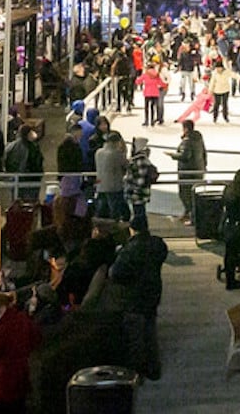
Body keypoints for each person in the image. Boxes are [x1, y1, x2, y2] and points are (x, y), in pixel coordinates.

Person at [109, 214, 169, 380]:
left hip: (134, 296)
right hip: (153, 292)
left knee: (136, 336)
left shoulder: (128, 250)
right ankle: (153, 368)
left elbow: (116, 274)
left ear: (132, 229)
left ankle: (138, 372)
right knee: (150, 331)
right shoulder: (157, 244)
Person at [0, 292, 41, 414]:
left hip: (4, 381)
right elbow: (36, 339)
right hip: (22, 377)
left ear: (2, 309)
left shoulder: (0, 329)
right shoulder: (23, 319)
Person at [220, 167, 240, 290]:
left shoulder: (228, 189)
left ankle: (230, 277)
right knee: (235, 252)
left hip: (227, 224)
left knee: (229, 253)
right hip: (238, 226)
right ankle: (232, 280)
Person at [170, 120, 206, 224]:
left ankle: (192, 217)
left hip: (187, 172)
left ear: (185, 128)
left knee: (185, 194)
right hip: (198, 169)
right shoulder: (199, 138)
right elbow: (204, 152)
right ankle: (188, 213)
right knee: (192, 194)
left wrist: (173, 155)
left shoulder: (187, 141)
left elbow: (185, 156)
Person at [93, 131, 130, 221]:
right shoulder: (116, 153)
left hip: (101, 184)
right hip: (114, 186)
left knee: (102, 208)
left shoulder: (98, 152)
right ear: (117, 142)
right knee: (115, 208)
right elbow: (126, 165)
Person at [124, 137, 157, 230]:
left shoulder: (139, 160)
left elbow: (140, 179)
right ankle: (143, 234)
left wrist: (134, 190)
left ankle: (142, 234)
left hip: (138, 193)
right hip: (140, 193)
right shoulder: (143, 159)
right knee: (140, 214)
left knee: (139, 215)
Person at [4, 125, 44, 202]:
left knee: (17, 202)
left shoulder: (10, 146)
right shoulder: (32, 147)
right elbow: (37, 163)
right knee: (31, 204)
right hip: (30, 179)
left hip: (14, 179)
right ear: (28, 134)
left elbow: (6, 161)